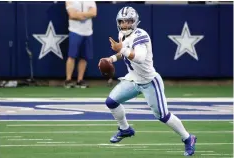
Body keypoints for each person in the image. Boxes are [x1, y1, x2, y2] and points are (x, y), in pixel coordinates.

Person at [98, 6, 197, 156]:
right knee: (111, 102)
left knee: (163, 116)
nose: (125, 25)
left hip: (149, 81)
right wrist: (110, 58)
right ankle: (125, 129)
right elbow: (122, 52)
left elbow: (139, 57)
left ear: (135, 22)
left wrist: (121, 50)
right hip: (132, 79)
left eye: (128, 21)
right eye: (122, 22)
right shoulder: (121, 34)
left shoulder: (140, 35)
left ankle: (188, 138)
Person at [65, 1, 97, 88]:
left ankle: (80, 80)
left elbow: (94, 13)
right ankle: (68, 80)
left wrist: (79, 14)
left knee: (84, 57)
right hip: (75, 31)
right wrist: (87, 14)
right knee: (72, 56)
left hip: (88, 32)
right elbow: (72, 15)